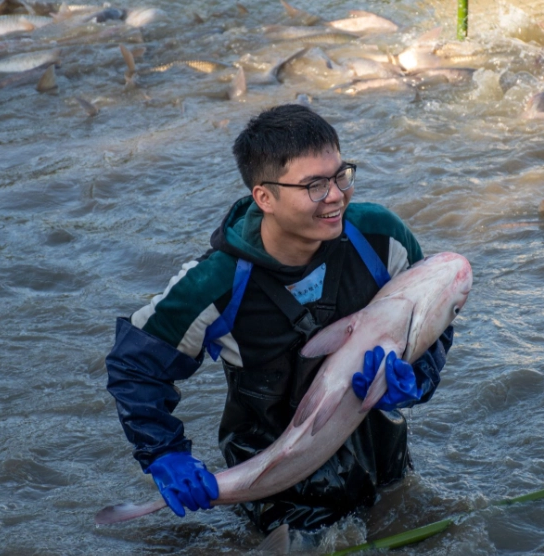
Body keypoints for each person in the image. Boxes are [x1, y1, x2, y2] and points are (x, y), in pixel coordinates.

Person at [105, 103, 453, 534]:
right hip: (277, 495)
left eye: (341, 175)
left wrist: (417, 376)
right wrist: (164, 452)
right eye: (313, 185)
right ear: (264, 197)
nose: (336, 196)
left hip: (386, 467)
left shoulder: (381, 238)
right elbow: (133, 365)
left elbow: (436, 319)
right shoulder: (215, 283)